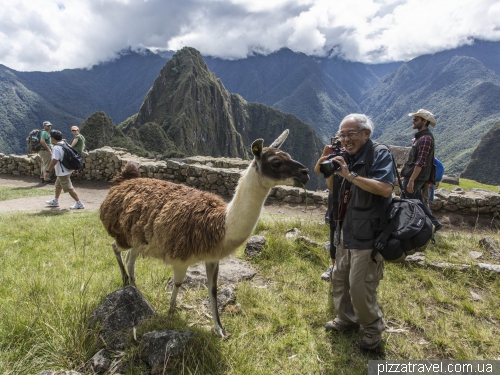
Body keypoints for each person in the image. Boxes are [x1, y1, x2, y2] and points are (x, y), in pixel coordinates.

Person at [325, 114, 396, 351]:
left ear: (366, 133)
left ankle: (373, 331)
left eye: (351, 133)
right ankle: (346, 319)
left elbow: (385, 189)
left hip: (370, 234)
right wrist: (331, 167)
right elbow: (334, 188)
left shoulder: (380, 154)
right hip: (347, 229)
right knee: (340, 278)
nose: (345, 139)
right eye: (342, 134)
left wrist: (350, 175)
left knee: (359, 286)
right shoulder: (346, 156)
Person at [401, 109, 442, 231]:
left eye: (416, 119)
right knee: (416, 200)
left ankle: (428, 223)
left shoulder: (425, 139)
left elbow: (420, 162)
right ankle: (428, 223)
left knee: (413, 201)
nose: (413, 121)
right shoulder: (422, 137)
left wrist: (411, 179)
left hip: (417, 177)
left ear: (424, 122)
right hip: (414, 176)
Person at [314, 135, 341, 282]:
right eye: (336, 138)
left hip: (349, 196)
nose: (337, 141)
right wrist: (325, 155)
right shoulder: (331, 156)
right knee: (333, 229)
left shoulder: (354, 155)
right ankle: (334, 267)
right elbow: (317, 170)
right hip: (333, 195)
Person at [44, 130, 85, 209]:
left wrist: (47, 171)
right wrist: (74, 168)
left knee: (69, 188)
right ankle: (55, 200)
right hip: (67, 170)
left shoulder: (56, 148)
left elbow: (54, 160)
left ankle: (79, 203)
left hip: (63, 172)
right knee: (58, 185)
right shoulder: (65, 144)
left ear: (53, 138)